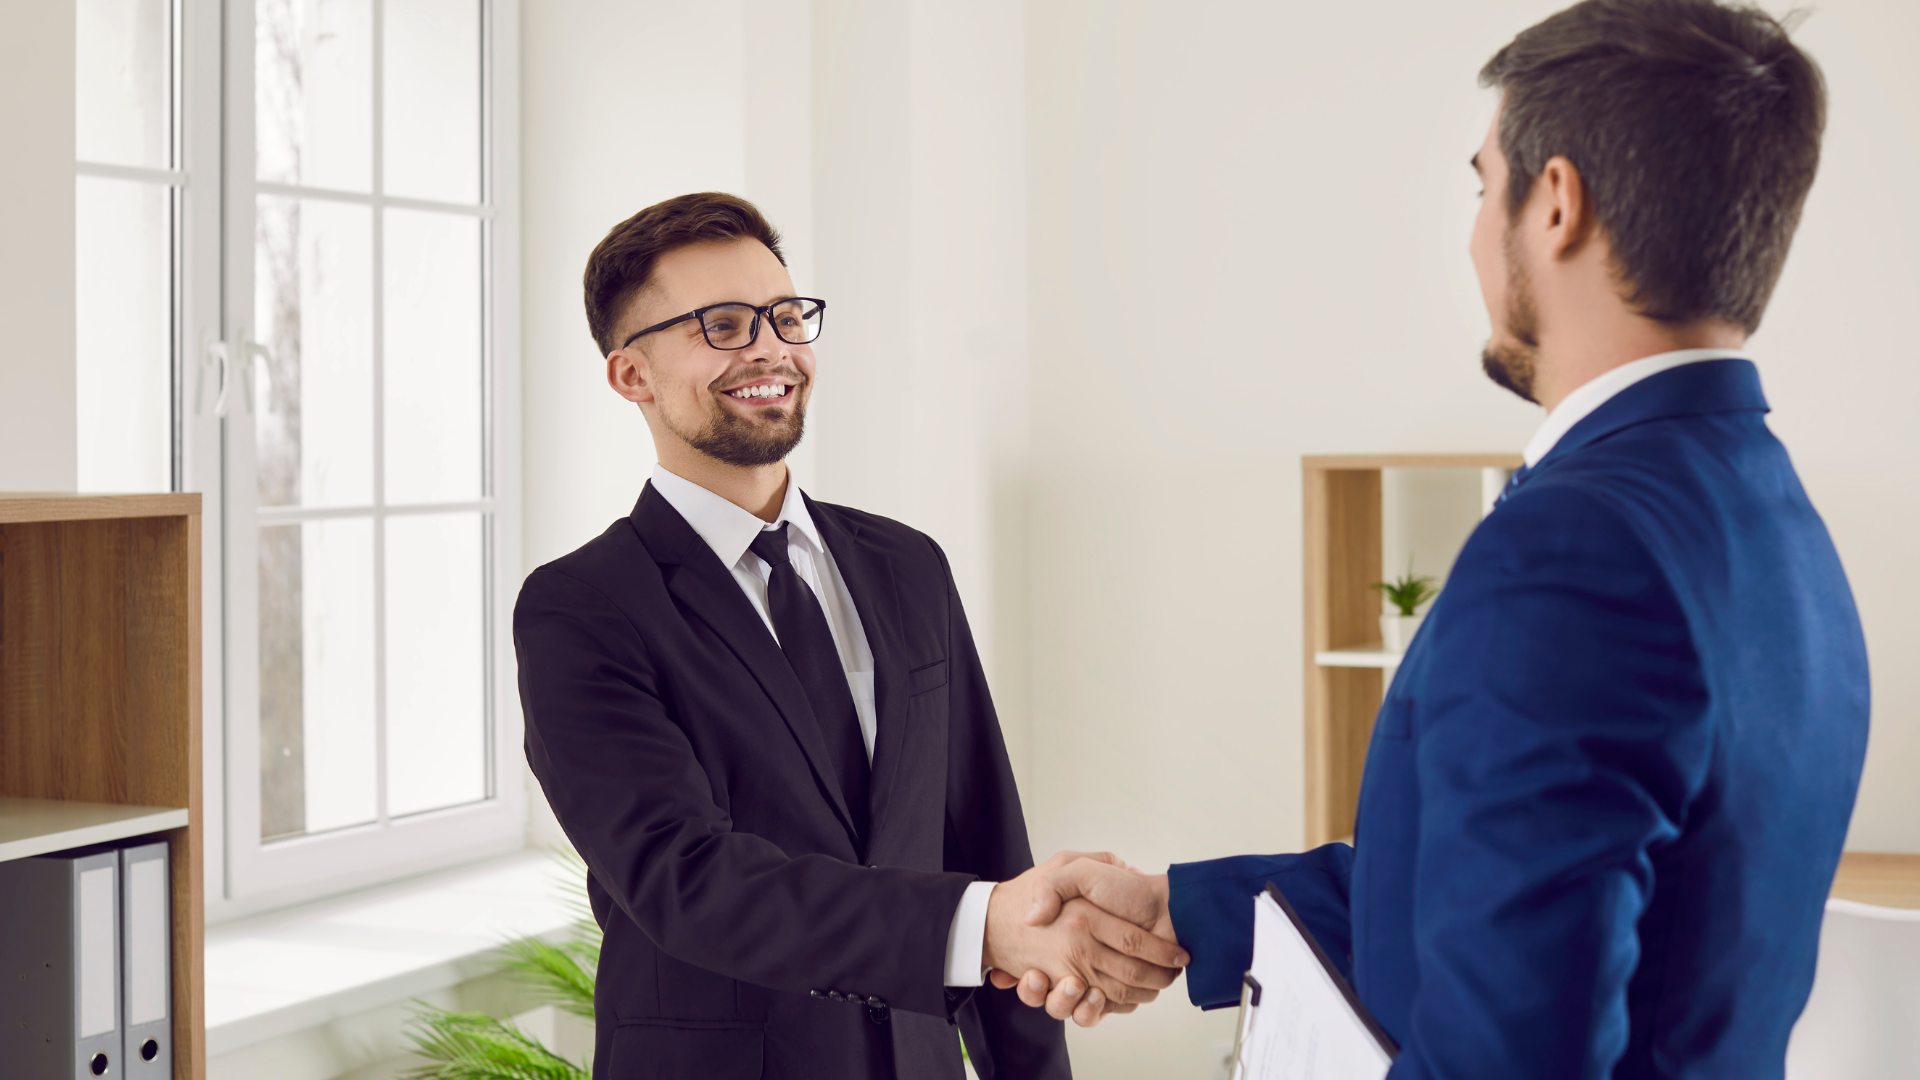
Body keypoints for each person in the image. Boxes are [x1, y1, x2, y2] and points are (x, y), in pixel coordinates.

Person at [1010, 1, 1870, 1075]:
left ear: (1556, 202)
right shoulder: (1768, 515)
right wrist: (1183, 910)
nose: (1473, 233)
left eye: (1482, 184)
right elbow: (1525, 883)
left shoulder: (1576, 552)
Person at [514, 193, 1186, 1080]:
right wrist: (986, 925)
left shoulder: (908, 565)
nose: (770, 349)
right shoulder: (581, 608)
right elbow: (687, 879)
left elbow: (983, 839)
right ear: (631, 375)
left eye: (786, 317)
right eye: (721, 325)